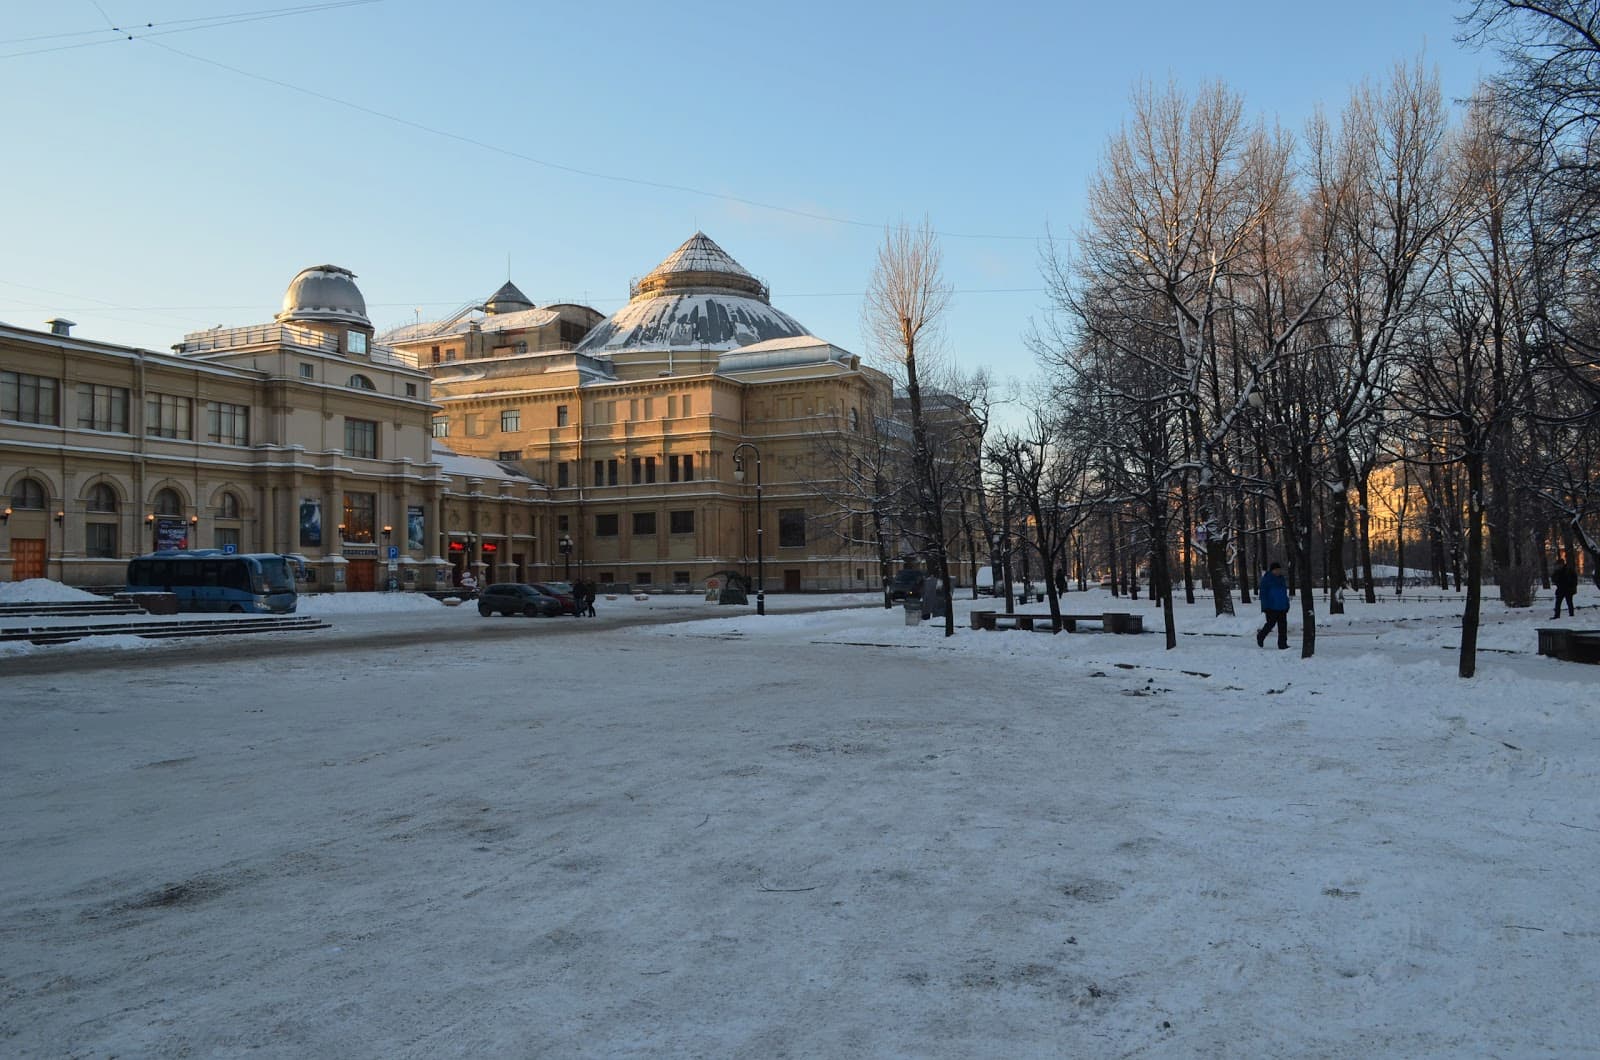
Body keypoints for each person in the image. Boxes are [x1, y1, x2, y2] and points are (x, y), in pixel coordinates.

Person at [1256, 561, 1290, 649]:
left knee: (1283, 627)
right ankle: (1261, 636)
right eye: (1276, 570)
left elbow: (1284, 593)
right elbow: (1263, 595)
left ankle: (1282, 644)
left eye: (1279, 569)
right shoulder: (1266, 580)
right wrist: (1265, 607)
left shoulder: (1282, 579)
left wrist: (1287, 604)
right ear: (1272, 570)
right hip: (1271, 607)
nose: (1278, 571)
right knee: (1270, 624)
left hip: (1282, 607)